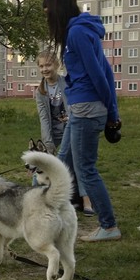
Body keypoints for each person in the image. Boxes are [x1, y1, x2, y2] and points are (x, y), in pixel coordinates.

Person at [43, 0, 121, 242]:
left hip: (87, 108)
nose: (48, 20)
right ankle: (44, 211)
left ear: (58, 10)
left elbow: (100, 75)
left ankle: (109, 226)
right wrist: (111, 111)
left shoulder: (76, 33)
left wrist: (111, 113)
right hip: (81, 106)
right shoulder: (79, 31)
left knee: (85, 169)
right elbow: (105, 71)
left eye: (48, 14)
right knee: (63, 158)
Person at [34, 49, 94, 216]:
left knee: (77, 162)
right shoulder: (40, 91)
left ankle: (86, 199)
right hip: (53, 133)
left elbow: (73, 110)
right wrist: (48, 144)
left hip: (72, 128)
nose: (45, 69)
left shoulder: (67, 83)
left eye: (48, 65)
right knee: (44, 165)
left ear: (57, 65)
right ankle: (38, 199)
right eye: (41, 66)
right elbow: (44, 119)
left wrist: (70, 121)